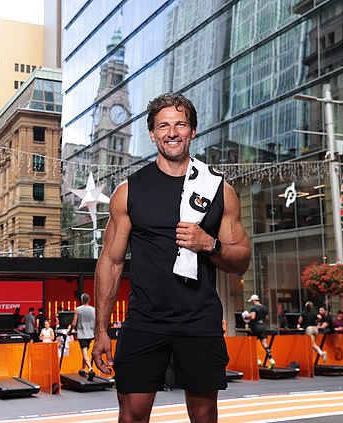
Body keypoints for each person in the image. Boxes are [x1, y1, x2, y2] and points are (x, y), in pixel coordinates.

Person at [92, 92, 251, 423]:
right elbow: (111, 262)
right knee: (132, 414)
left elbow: (242, 260)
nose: (172, 132)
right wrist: (101, 330)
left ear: (192, 131)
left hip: (199, 318)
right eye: (163, 126)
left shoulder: (219, 189)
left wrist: (210, 244)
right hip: (145, 318)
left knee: (204, 415)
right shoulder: (129, 191)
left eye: (180, 124)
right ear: (152, 134)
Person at [68, 293, 96, 381]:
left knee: (84, 352)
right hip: (91, 334)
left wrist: (70, 331)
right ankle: (83, 369)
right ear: (89, 300)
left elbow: (74, 322)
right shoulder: (93, 309)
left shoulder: (78, 309)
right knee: (86, 352)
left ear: (81, 300)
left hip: (82, 334)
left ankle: (90, 369)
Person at [245, 294, 275, 368]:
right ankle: (271, 359)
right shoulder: (264, 307)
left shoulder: (254, 308)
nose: (251, 303)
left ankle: (257, 360)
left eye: (251, 301)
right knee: (265, 344)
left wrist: (246, 316)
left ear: (254, 301)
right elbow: (266, 318)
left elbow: (252, 317)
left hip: (255, 327)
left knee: (252, 343)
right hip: (262, 327)